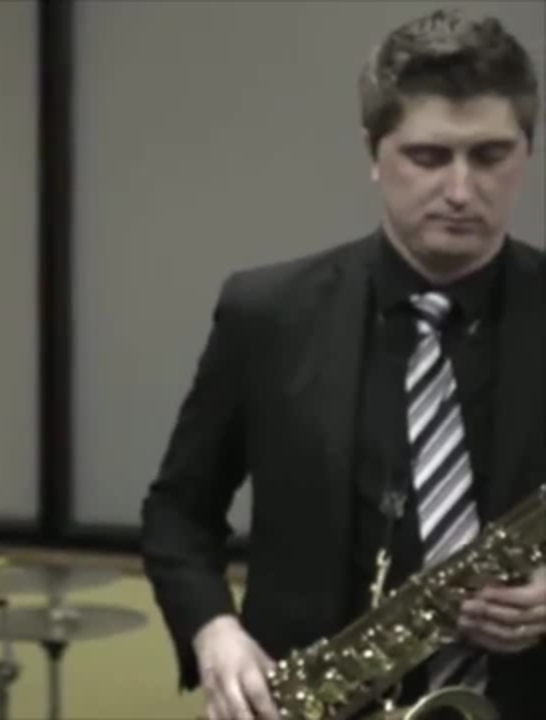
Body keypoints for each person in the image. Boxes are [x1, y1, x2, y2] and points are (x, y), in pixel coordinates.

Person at [140, 9, 545, 720]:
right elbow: (178, 514)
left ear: (528, 151)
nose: (460, 190)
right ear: (373, 152)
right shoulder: (268, 313)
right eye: (428, 157)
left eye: (489, 156)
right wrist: (214, 632)